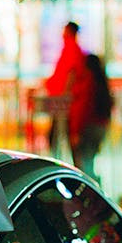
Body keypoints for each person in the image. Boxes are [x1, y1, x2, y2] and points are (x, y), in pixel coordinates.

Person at [42, 20, 86, 155]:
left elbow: (72, 73)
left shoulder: (72, 49)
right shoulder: (69, 48)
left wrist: (65, 94)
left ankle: (54, 160)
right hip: (61, 98)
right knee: (58, 132)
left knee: (61, 133)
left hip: (64, 100)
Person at [69, 53, 113, 180]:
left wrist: (75, 131)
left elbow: (82, 109)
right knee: (90, 160)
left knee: (85, 164)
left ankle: (91, 193)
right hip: (100, 127)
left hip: (88, 127)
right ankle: (95, 191)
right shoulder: (102, 82)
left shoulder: (87, 82)